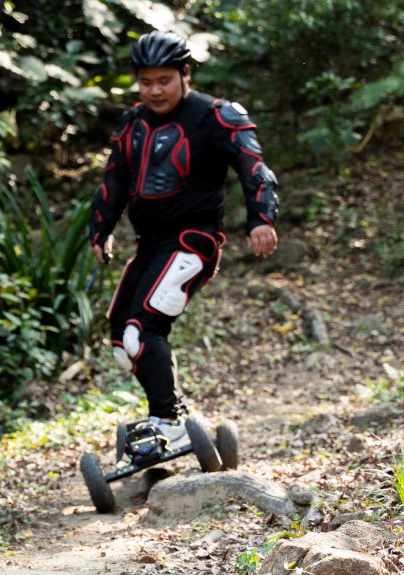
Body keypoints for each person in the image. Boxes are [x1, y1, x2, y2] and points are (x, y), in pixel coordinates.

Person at [88, 31, 279, 454]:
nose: (155, 90)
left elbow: (254, 169)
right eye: (146, 81)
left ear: (185, 73)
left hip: (194, 242)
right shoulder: (132, 122)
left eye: (165, 80)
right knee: (123, 341)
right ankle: (169, 414)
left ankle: (168, 422)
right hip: (150, 245)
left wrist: (261, 220)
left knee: (143, 329)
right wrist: (99, 232)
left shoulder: (216, 116)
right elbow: (114, 180)